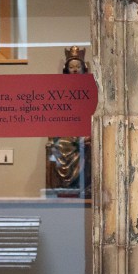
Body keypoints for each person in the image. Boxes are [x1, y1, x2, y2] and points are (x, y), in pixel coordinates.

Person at [46, 47, 91, 196]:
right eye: (71, 67)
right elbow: (55, 115)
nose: (75, 70)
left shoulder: (90, 89)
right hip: (66, 132)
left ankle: (85, 187)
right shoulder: (60, 90)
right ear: (67, 69)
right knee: (60, 146)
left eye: (78, 66)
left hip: (84, 132)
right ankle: (64, 188)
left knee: (88, 145)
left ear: (83, 68)